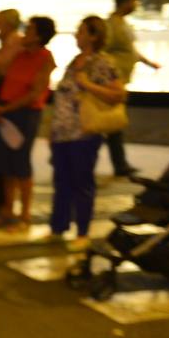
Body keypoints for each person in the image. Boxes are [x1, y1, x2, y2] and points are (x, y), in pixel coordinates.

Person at [49, 16, 125, 249]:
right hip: (63, 132)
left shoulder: (102, 62)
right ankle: (58, 227)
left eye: (81, 31)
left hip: (83, 133)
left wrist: (88, 85)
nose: (76, 35)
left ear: (94, 36)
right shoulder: (75, 61)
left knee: (82, 182)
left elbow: (119, 94)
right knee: (62, 181)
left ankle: (83, 232)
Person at [0, 16, 56, 231]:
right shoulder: (20, 54)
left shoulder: (45, 58)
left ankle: (25, 215)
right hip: (7, 111)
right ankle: (8, 210)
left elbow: (35, 93)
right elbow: (2, 73)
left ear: (39, 36)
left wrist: (6, 108)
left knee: (20, 164)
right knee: (5, 163)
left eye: (29, 30)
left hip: (25, 114)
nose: (24, 34)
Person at [105, 0, 158, 178]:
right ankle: (120, 164)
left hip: (119, 81)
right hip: (111, 84)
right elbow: (104, 51)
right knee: (110, 123)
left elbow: (131, 51)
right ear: (125, 1)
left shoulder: (123, 24)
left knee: (113, 124)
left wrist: (148, 63)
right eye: (134, 0)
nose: (136, 4)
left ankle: (120, 163)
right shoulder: (111, 24)